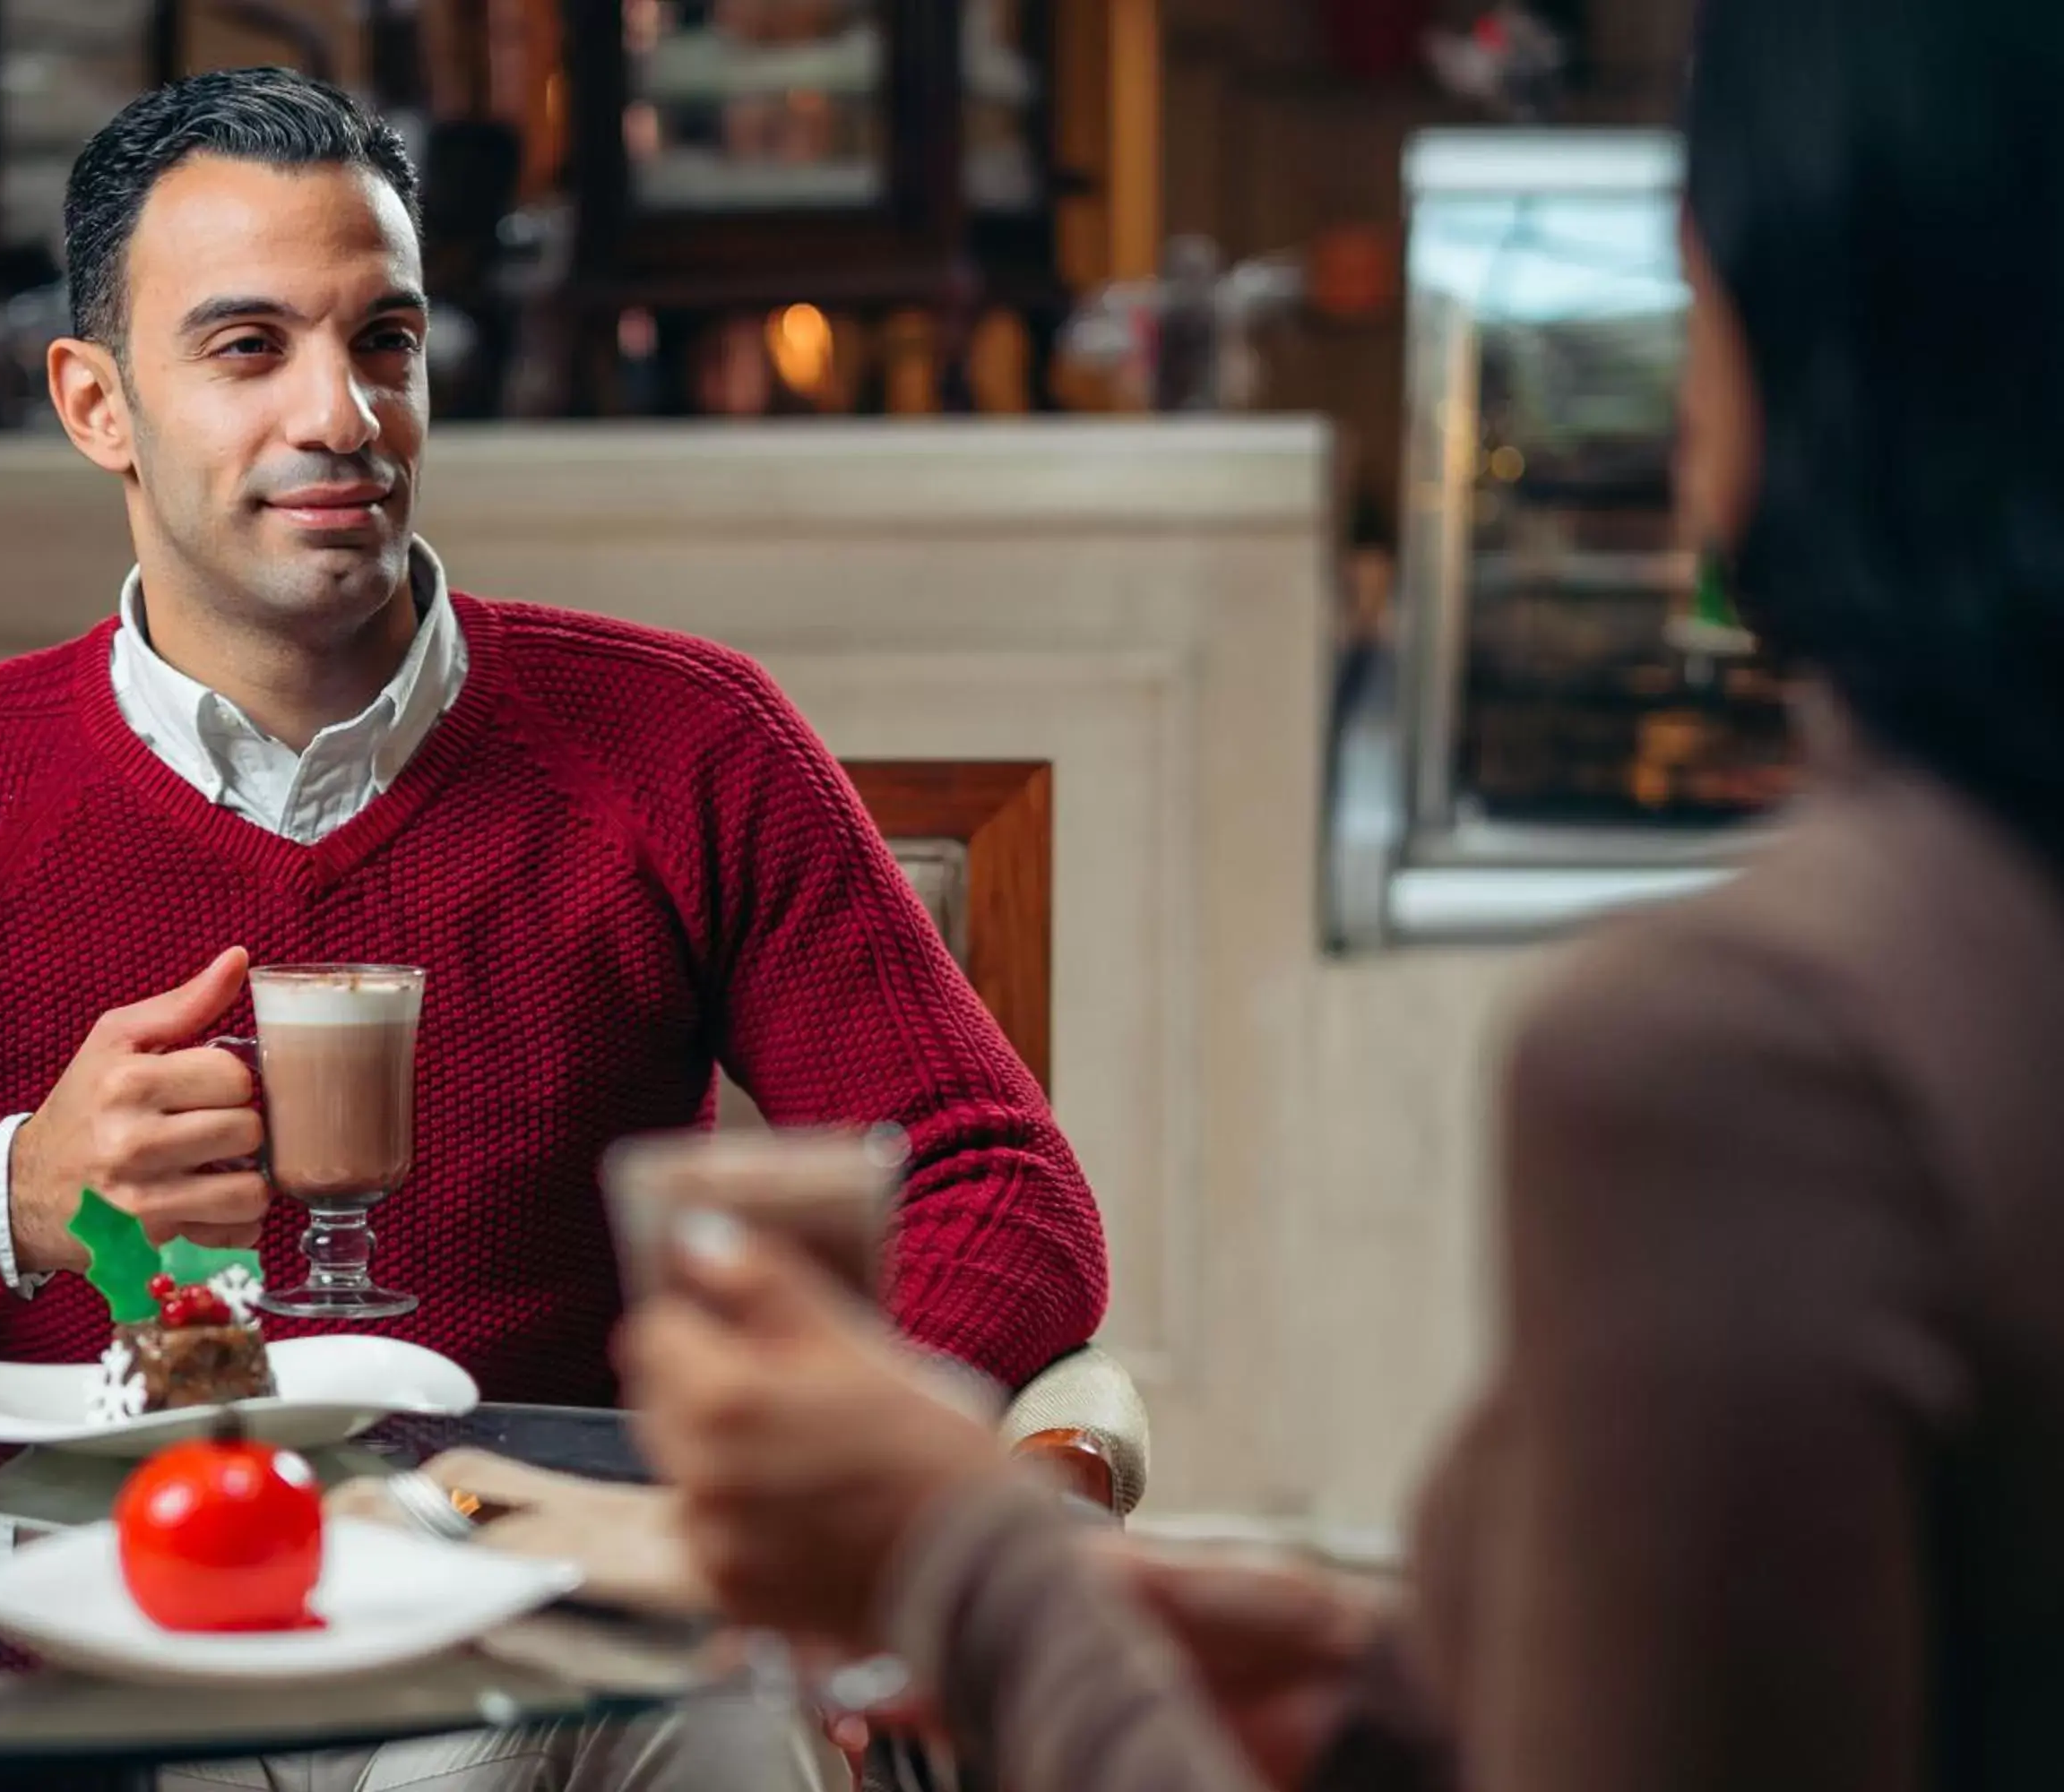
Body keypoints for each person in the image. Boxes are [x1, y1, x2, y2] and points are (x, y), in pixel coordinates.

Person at [624, 0, 2064, 1786]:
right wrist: (1402, 1689)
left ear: (1800, 302)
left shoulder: (1746, 1061)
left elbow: (1015, 1201)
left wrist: (973, 1564)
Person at [0, 67, 1105, 1415]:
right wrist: (13, 1194)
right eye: (249, 348)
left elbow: (1004, 1193)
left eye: (383, 340)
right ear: (96, 405)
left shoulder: (688, 739)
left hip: (551, 1636)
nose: (345, 415)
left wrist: (803, 1485)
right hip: (85, 1642)